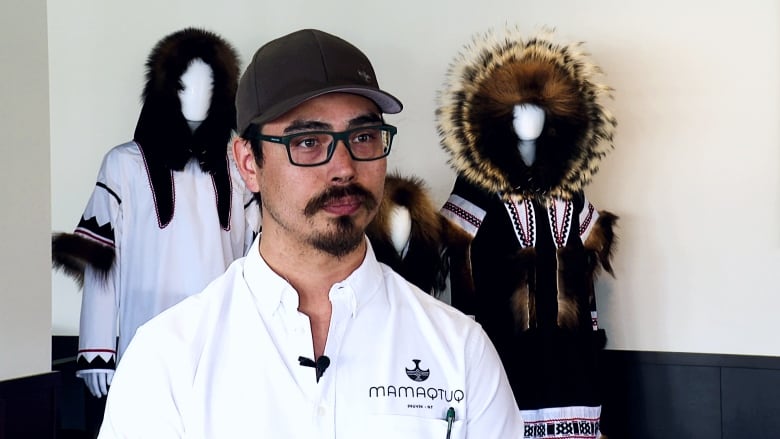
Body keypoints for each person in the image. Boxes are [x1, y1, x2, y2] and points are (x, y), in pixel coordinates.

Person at [97, 28, 523, 438]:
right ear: (248, 163)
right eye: (307, 142)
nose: (343, 167)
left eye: (364, 136)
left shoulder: (459, 351)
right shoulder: (168, 355)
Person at [51, 28, 259, 399]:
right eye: (184, 86)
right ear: (165, 90)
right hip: (145, 347)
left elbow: (259, 262)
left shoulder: (240, 166)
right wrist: (97, 352)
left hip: (225, 352)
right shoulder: (124, 165)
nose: (198, 96)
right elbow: (101, 262)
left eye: (211, 85)